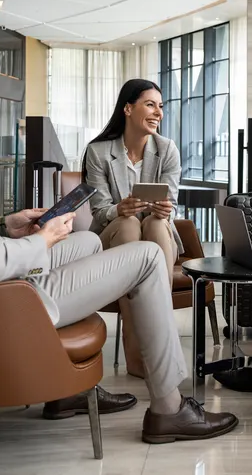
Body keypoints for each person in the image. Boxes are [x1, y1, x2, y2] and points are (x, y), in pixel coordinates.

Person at [0, 20, 237, 443]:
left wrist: (4, 225)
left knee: (86, 239)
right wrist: (44, 238)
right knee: (144, 257)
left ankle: (67, 389)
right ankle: (169, 409)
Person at [83, 79, 181, 379]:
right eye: (150, 104)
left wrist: (165, 209)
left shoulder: (166, 149)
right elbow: (100, 212)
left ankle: (155, 335)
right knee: (127, 225)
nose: (158, 112)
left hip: (157, 231)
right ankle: (145, 358)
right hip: (115, 234)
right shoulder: (98, 152)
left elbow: (171, 202)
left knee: (154, 222)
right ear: (128, 108)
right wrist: (119, 209)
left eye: (160, 106)